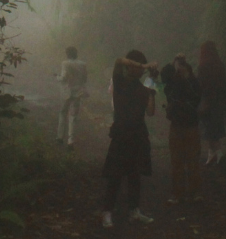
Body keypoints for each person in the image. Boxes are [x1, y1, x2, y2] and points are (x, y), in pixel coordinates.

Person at [101, 50, 157, 228]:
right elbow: (119, 61)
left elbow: (150, 111)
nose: (141, 71)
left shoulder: (142, 88)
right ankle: (107, 212)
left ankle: (134, 210)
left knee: (135, 175)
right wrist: (144, 65)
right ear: (131, 66)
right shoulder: (120, 82)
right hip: (121, 134)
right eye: (137, 66)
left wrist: (152, 86)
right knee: (115, 176)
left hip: (138, 135)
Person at [159, 53, 203, 203]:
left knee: (192, 161)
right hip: (179, 124)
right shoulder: (172, 82)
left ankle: (194, 192)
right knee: (177, 161)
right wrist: (174, 66)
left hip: (189, 124)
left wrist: (186, 76)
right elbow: (167, 87)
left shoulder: (192, 81)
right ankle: (179, 193)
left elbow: (197, 97)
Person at [197, 40, 226, 165]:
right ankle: (213, 153)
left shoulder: (203, 66)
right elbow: (224, 84)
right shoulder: (219, 64)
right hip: (219, 101)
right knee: (215, 127)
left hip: (207, 101)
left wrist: (200, 100)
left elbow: (200, 85)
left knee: (209, 128)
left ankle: (218, 153)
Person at [57, 46, 88, 148]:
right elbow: (84, 79)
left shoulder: (65, 63)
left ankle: (60, 137)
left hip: (66, 92)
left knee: (62, 112)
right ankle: (71, 140)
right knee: (73, 116)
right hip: (78, 92)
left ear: (67, 54)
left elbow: (63, 77)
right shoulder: (83, 64)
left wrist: (57, 77)